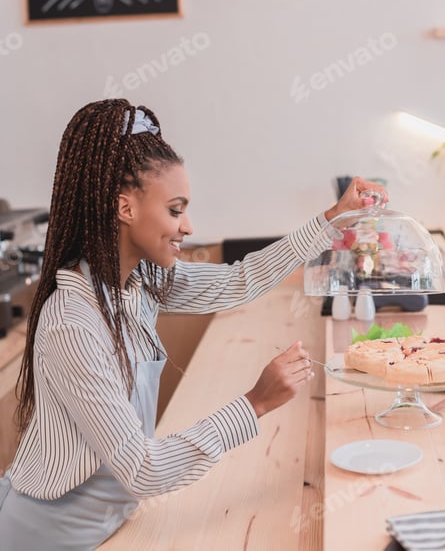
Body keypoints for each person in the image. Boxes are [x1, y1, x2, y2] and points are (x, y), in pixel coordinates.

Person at [0, 99, 387, 550]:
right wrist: (255, 403)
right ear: (124, 207)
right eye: (175, 209)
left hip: (113, 525)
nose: (188, 226)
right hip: (49, 537)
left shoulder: (138, 282)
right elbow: (143, 470)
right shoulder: (72, 322)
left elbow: (238, 280)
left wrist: (330, 222)